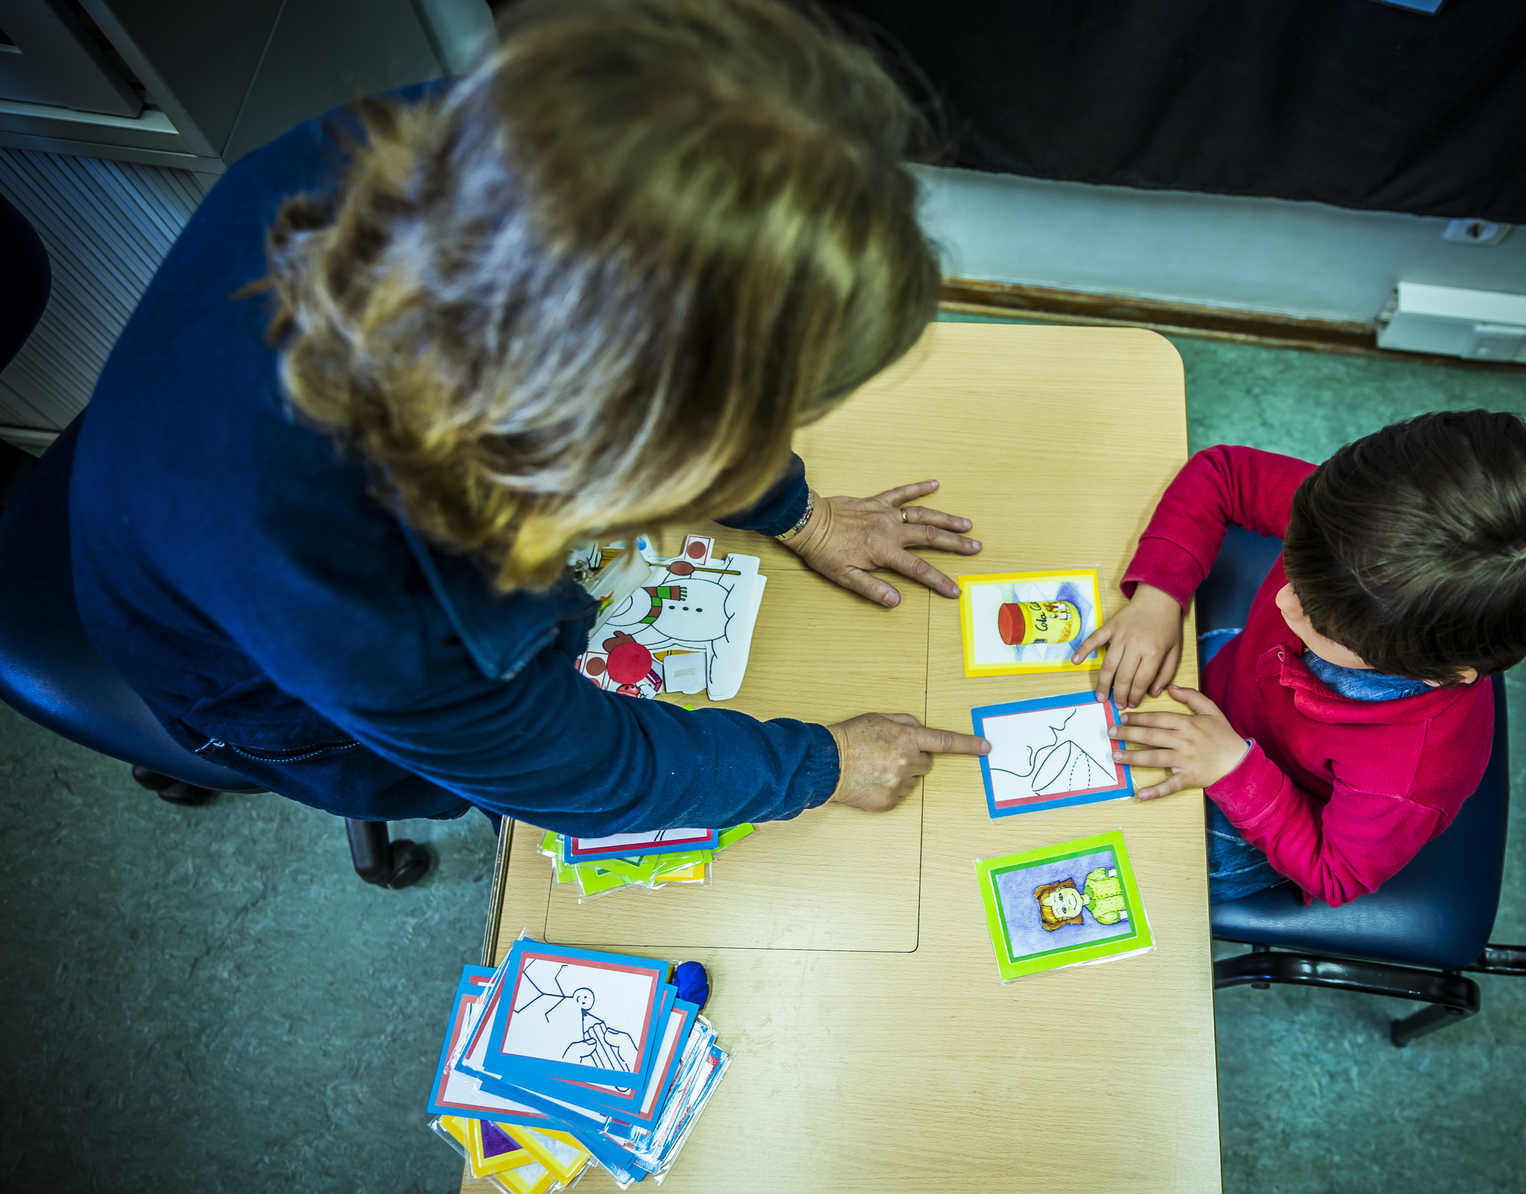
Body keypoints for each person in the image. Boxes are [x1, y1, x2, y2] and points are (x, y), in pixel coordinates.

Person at [64, 0, 988, 838]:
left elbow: (697, 334)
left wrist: (799, 511)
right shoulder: (381, 611)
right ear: (605, 452)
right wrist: (819, 765)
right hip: (241, 673)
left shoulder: (515, 144)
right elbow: (583, 774)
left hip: (191, 474)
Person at [1070, 411, 1526, 908]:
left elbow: (1333, 876)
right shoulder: (1359, 529)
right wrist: (1160, 597)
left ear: (1436, 673)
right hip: (1231, 688)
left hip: (1269, 809)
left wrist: (1234, 771)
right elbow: (1224, 472)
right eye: (1295, 566)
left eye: (1321, 621)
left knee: (1108, 864)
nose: (1284, 599)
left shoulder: (1409, 775)